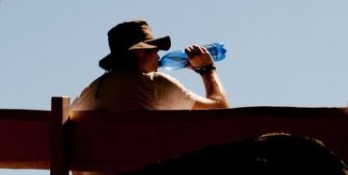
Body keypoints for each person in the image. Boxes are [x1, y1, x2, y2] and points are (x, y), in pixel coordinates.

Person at [71, 20, 229, 113]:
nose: (158, 56)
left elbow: (77, 171)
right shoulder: (155, 84)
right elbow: (221, 111)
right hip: (149, 170)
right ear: (140, 52)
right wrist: (207, 69)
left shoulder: (90, 92)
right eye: (155, 50)